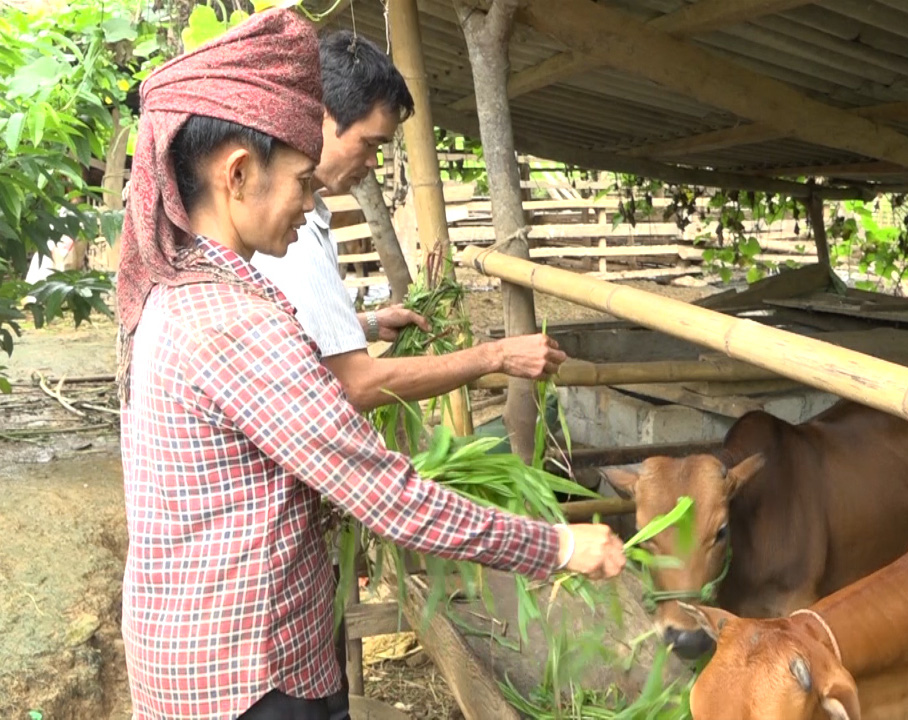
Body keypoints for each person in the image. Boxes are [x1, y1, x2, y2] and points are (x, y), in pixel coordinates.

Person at [114, 10, 626, 720]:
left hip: (208, 654)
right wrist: (558, 544)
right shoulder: (232, 323)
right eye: (301, 180)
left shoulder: (187, 291)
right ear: (238, 174)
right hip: (247, 677)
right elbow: (390, 498)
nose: (312, 198)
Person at [250, 30, 565, 413]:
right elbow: (354, 384)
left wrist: (365, 325)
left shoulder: (304, 210)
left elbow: (293, 335)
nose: (372, 162)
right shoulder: (284, 233)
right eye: (369, 143)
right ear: (321, 116)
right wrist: (495, 356)